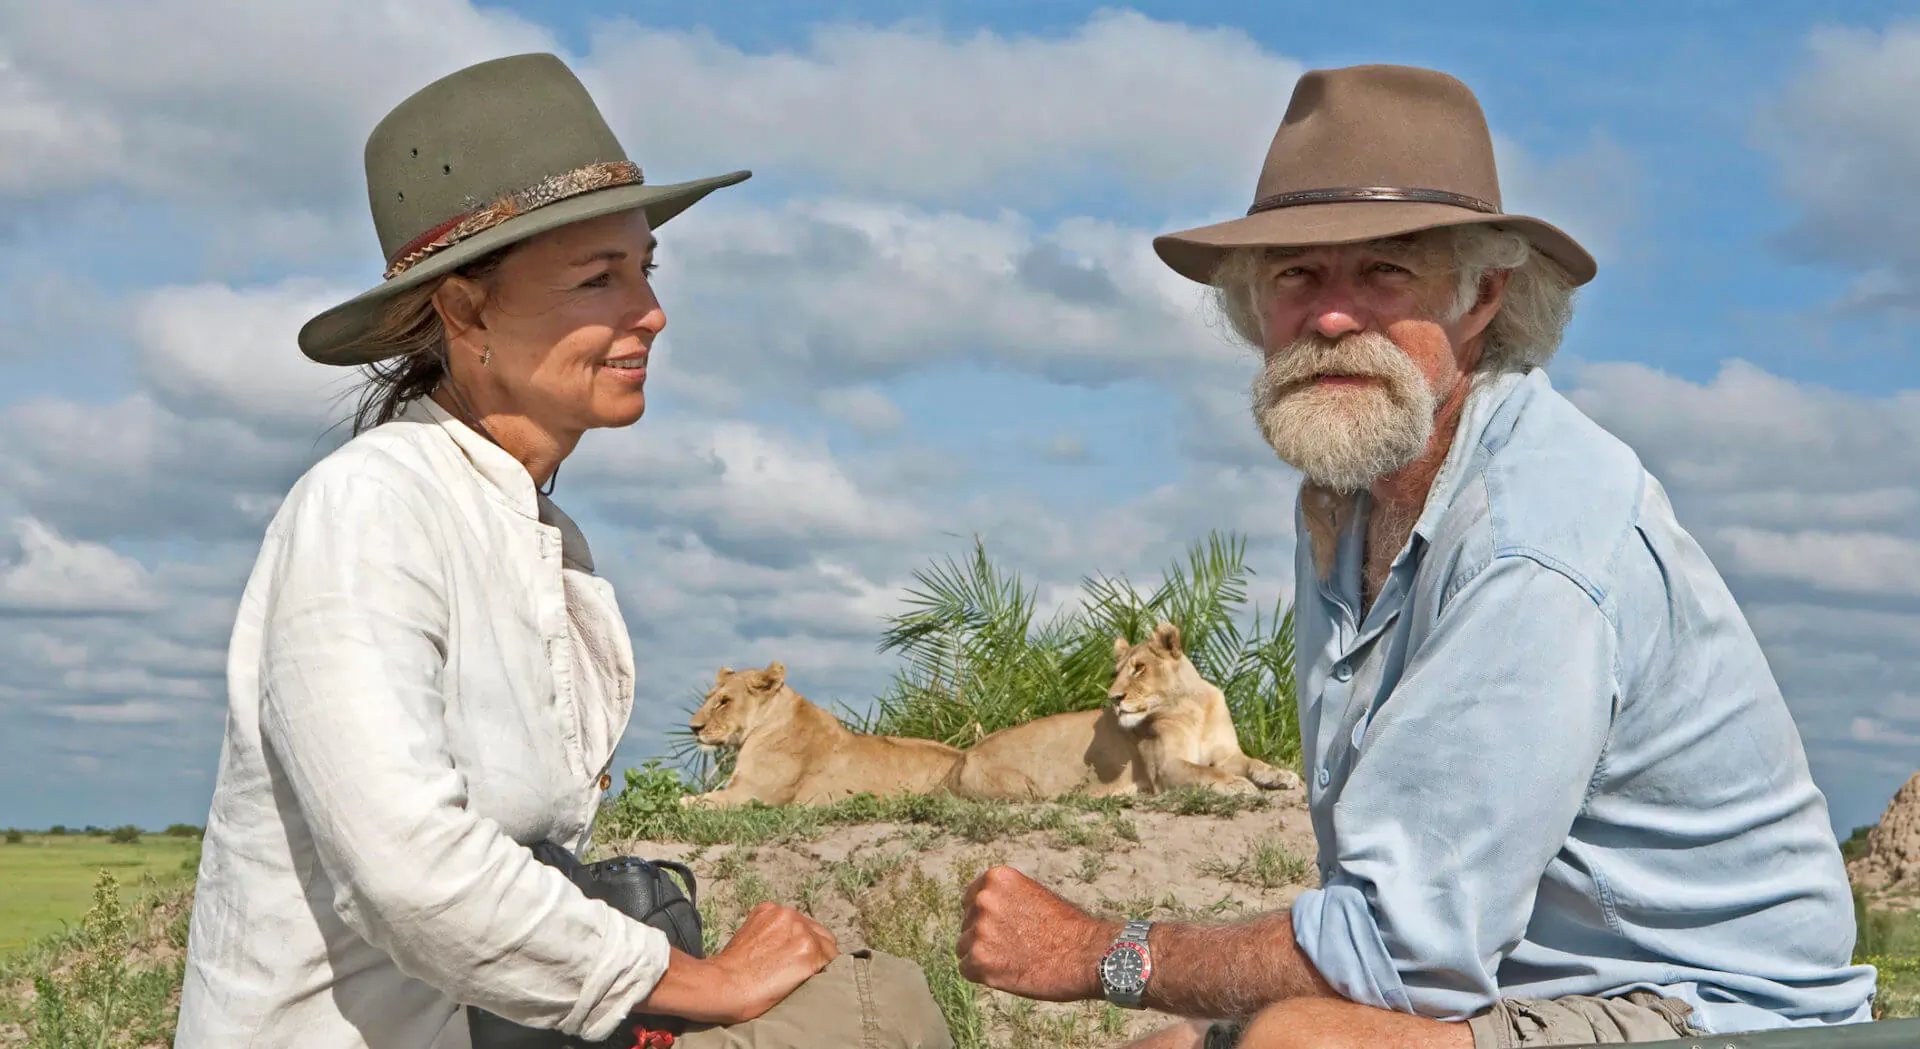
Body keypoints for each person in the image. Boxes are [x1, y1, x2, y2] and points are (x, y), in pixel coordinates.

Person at [954, 64, 1877, 1049]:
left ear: (1483, 296)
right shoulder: (1347, 496)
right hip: (1528, 991)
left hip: (1716, 1010)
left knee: (1302, 1041)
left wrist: (1102, 952)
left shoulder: (1531, 541)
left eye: (1386, 271)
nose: (1333, 315)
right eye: (1295, 275)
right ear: (1253, 308)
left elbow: (1398, 953)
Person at [176, 54, 950, 1049]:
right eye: (600, 278)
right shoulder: (369, 508)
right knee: (873, 1015)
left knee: (867, 990)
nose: (651, 313)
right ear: (466, 310)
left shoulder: (533, 530)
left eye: (646, 270)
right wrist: (693, 981)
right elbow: (412, 872)